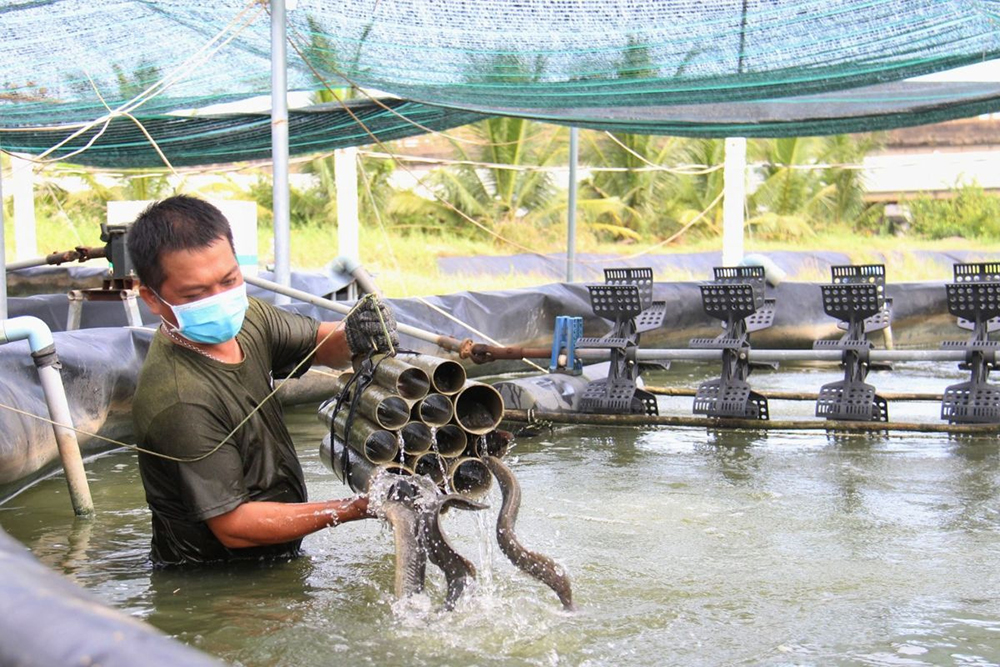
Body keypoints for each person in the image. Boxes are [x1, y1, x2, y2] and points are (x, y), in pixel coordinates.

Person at [127, 195, 399, 566]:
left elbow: (321, 345)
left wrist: (356, 334)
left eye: (229, 280)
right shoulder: (181, 400)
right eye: (196, 294)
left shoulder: (248, 318)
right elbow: (234, 526)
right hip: (216, 581)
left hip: (280, 554)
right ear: (152, 299)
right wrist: (357, 507)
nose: (220, 300)